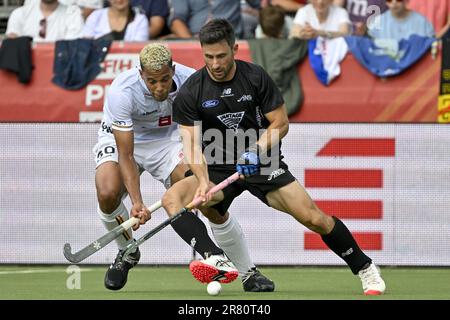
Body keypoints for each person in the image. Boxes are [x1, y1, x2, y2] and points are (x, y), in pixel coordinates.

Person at [161, 18, 386, 295]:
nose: (216, 64)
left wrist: (255, 150)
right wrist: (204, 181)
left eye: (221, 55)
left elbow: (280, 123)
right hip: (218, 166)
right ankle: (215, 257)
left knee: (314, 218)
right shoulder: (191, 90)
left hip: (262, 162)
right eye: (209, 57)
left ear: (235, 48)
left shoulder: (255, 77)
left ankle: (365, 268)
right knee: (173, 198)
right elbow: (192, 143)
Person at [94, 43, 269, 292]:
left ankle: (247, 272)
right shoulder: (122, 92)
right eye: (152, 81)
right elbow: (127, 154)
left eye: (165, 79)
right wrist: (137, 202)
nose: (160, 87)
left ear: (173, 70)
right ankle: (127, 251)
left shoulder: (190, 81)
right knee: (108, 193)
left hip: (169, 140)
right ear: (141, 73)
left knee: (204, 197)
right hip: (123, 141)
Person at [6, 0, 84, 42]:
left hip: (60, 67)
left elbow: (72, 46)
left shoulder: (73, 14)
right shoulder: (19, 13)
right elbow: (12, 41)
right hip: (25, 67)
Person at [367, 0, 435, 41]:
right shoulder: (378, 22)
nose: (394, 3)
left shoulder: (422, 22)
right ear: (386, 2)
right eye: (389, 0)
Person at [82, 0, 148, 41]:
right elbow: (85, 44)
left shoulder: (140, 19)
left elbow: (138, 49)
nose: (119, 0)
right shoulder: (95, 16)